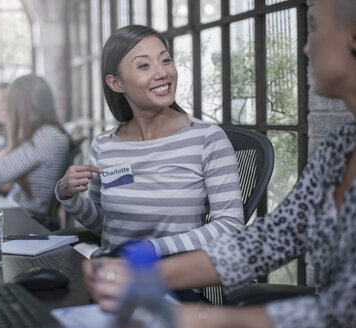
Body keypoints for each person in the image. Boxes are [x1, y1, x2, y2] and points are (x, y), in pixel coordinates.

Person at [83, 0, 356, 327]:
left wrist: (191, 317)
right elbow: (269, 239)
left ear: (353, 37)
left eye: (314, 28)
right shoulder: (339, 150)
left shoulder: (204, 137)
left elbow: (343, 311)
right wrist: (142, 275)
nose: (306, 46)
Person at [55, 25, 244, 258]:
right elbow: (107, 227)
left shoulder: (206, 139)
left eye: (166, 60)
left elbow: (230, 225)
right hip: (109, 276)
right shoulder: (105, 146)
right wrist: (68, 196)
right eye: (144, 65)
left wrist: (153, 249)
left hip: (172, 282)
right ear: (117, 84)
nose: (162, 72)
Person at [0, 74, 70, 224]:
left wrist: (5, 150)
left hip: (29, 220)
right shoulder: (46, 132)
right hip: (23, 216)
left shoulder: (45, 137)